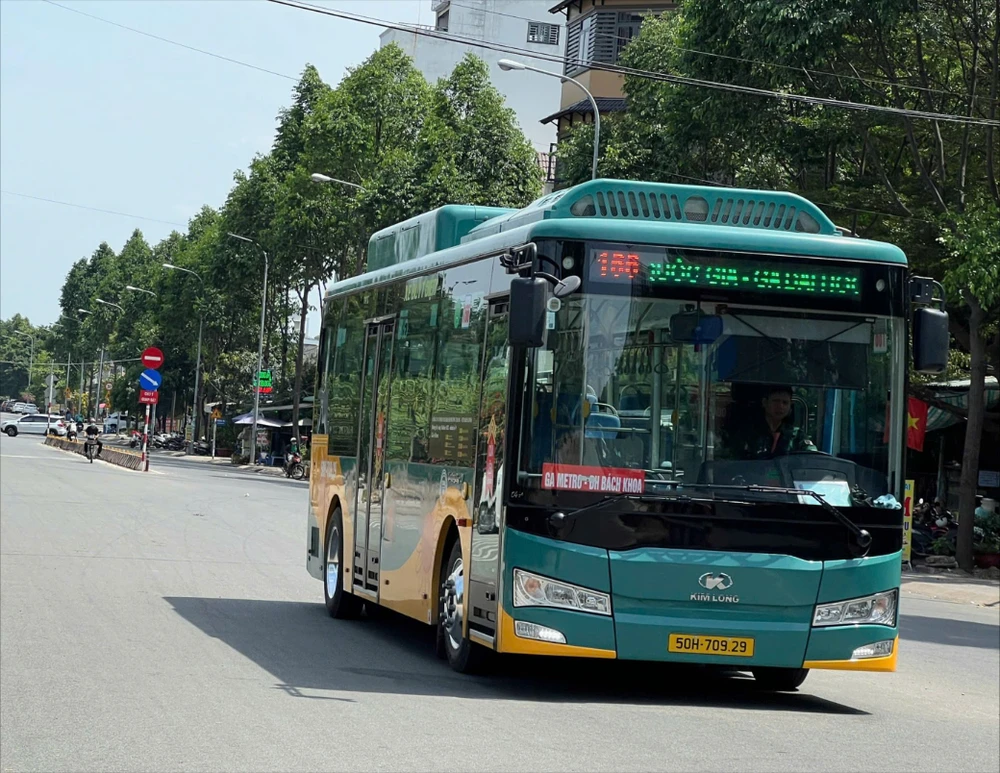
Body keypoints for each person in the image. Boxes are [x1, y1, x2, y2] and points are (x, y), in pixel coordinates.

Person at [722, 385, 815, 460]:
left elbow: (813, 456)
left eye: (785, 403)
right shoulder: (747, 433)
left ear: (790, 407)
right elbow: (731, 459)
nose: (780, 406)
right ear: (765, 403)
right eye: (776, 401)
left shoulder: (797, 435)